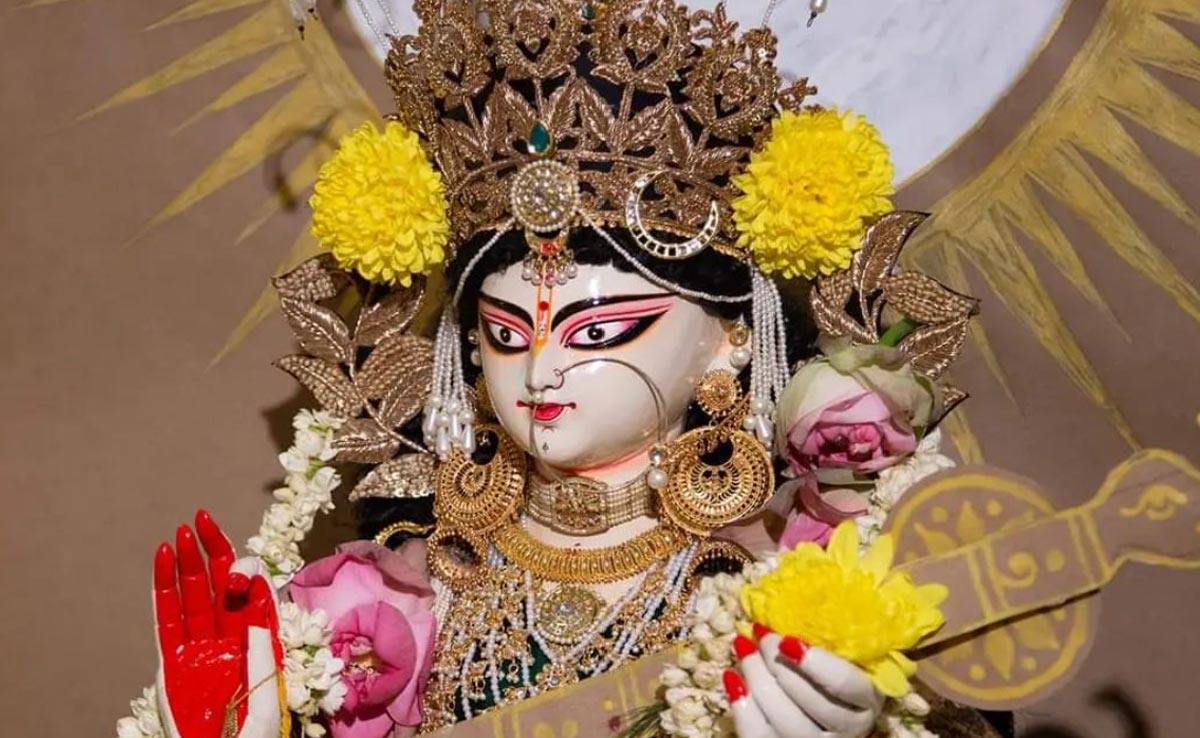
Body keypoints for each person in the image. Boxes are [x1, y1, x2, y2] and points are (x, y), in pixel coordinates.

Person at [129, 2, 1008, 737]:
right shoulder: (400, 598)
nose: (541, 370)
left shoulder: (807, 572)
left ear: (731, 337)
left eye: (600, 332)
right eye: (506, 333)